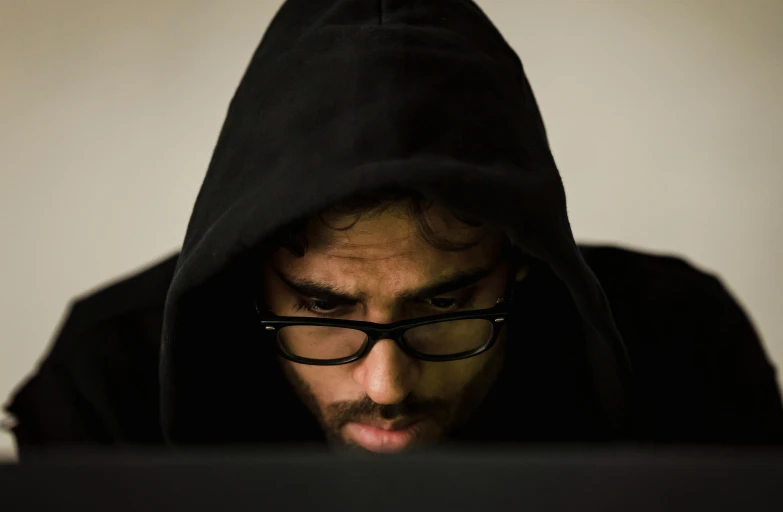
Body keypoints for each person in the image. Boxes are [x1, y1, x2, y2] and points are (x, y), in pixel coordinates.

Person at [4, 0, 783, 456]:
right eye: (323, 309)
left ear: (519, 261)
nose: (387, 387)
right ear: (248, 271)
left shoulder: (683, 349)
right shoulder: (108, 386)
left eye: (445, 307)